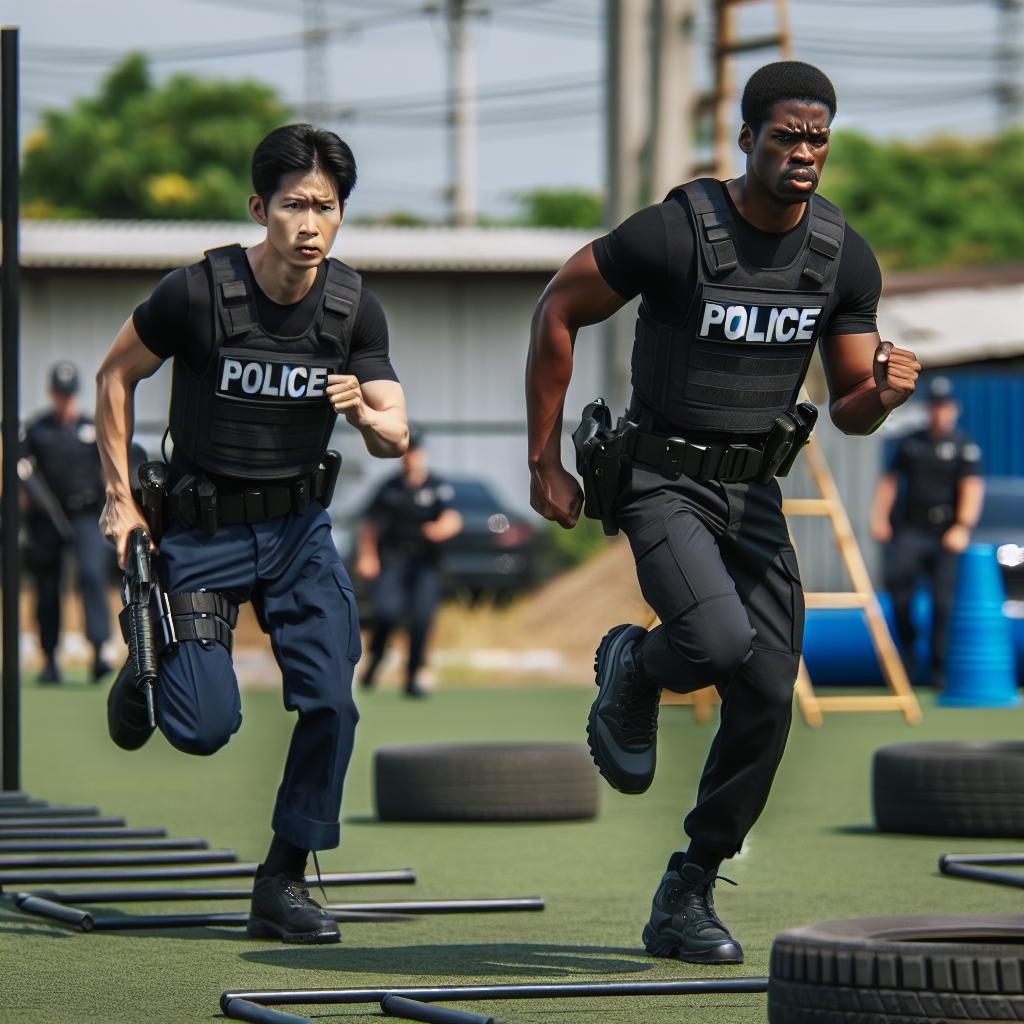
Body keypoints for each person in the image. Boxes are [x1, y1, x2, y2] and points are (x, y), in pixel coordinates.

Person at [525, 62, 920, 964]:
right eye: (786, 135)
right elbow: (559, 307)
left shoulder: (841, 255)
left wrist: (886, 394)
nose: (804, 152)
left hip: (754, 493)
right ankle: (634, 666)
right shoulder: (675, 233)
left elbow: (853, 405)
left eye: (818, 137)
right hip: (660, 478)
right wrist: (543, 461)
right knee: (711, 642)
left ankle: (689, 887)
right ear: (747, 141)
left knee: (769, 690)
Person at [95, 124, 408, 945]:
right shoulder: (196, 294)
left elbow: (396, 432)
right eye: (295, 205)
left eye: (327, 208)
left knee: (334, 701)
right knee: (202, 729)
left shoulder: (352, 307)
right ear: (259, 207)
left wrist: (368, 416)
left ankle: (282, 879)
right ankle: (150, 661)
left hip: (300, 533)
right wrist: (120, 499)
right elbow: (115, 374)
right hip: (202, 531)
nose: (310, 224)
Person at [870, 377, 984, 688]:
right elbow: (890, 481)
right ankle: (907, 651)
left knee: (943, 602)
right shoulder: (911, 443)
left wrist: (962, 527)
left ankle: (938, 667)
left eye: (944, 407)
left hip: (945, 533)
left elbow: (972, 488)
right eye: (934, 406)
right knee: (897, 584)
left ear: (954, 410)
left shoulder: (965, 446)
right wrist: (879, 517)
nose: (939, 413)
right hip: (911, 529)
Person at [22, 361, 114, 685]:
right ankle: (49, 659)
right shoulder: (36, 431)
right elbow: (21, 472)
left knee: (91, 576)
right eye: (60, 395)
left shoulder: (90, 430)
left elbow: (107, 472)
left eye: (69, 395)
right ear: (52, 394)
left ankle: (100, 651)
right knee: (47, 587)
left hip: (86, 515)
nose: (65, 401)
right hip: (46, 520)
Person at [356, 428, 463, 697]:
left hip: (424, 562)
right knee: (385, 612)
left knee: (421, 618)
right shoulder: (389, 487)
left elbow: (452, 518)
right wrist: (367, 556)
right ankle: (375, 660)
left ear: (421, 453)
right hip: (393, 559)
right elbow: (370, 524)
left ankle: (413, 675)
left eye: (414, 451)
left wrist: (442, 528)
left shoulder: (437, 485)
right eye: (406, 452)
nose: (410, 457)